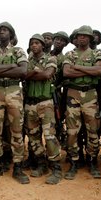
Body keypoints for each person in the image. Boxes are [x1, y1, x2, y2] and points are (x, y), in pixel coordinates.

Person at [0, 22, 29, 184]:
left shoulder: (18, 50)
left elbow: (23, 71)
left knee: (17, 129)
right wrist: (11, 66)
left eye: (6, 30)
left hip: (14, 92)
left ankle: (18, 166)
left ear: (11, 34)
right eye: (0, 30)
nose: (2, 32)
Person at [63, 25, 101, 180]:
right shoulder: (70, 53)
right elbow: (66, 72)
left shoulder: (97, 53)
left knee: (93, 130)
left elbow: (100, 71)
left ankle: (92, 161)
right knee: (72, 131)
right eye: (80, 35)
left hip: (90, 94)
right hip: (73, 93)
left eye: (85, 36)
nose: (82, 38)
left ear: (90, 38)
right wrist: (89, 69)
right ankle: (74, 161)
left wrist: (77, 67)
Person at [25, 34, 62, 184]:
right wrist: (34, 72)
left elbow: (48, 74)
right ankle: (42, 164)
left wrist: (32, 73)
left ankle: (56, 168)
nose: (34, 45)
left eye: (37, 43)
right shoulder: (28, 61)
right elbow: (23, 75)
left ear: (42, 45)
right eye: (32, 43)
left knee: (49, 136)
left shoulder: (51, 58)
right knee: (33, 136)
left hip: (45, 103)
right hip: (30, 103)